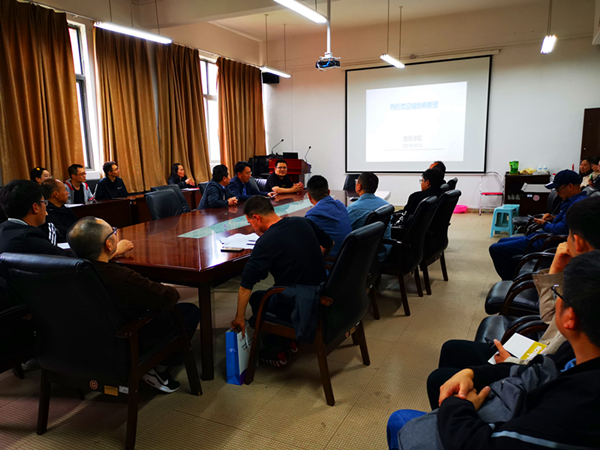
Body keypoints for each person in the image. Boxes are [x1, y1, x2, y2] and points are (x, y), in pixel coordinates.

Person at [387, 250, 600, 450]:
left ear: (570, 317)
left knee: (399, 421)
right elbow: (538, 369)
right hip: (512, 406)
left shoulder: (577, 409)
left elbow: (479, 444)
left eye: (558, 294)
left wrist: (456, 406)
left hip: (488, 427)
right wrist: (471, 373)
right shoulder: (576, 352)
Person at [426, 196, 600, 410]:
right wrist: (555, 270)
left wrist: (510, 362)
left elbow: (548, 366)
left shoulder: (587, 293)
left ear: (578, 242)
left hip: (529, 373)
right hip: (535, 357)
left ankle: (445, 417)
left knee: (439, 379)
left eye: (569, 236)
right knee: (451, 349)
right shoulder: (585, 277)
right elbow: (552, 319)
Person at [67, 217, 199, 393]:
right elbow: (168, 297)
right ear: (108, 244)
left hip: (90, 338)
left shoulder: (69, 272)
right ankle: (158, 368)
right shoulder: (122, 277)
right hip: (130, 336)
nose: (115, 234)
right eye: (113, 232)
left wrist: (111, 254)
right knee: (188, 312)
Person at [230, 196, 332, 366]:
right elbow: (329, 243)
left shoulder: (266, 242)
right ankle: (290, 340)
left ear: (256, 217)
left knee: (258, 299)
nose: (252, 228)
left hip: (300, 301)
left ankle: (276, 349)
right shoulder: (302, 222)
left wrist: (239, 318)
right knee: (272, 292)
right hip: (323, 291)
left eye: (250, 223)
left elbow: (246, 285)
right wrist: (316, 258)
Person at [489, 169, 587, 280]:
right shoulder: (574, 201)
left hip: (547, 242)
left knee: (495, 249)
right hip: (543, 237)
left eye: (558, 189)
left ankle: (510, 280)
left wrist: (544, 224)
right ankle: (514, 276)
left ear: (570, 186)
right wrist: (553, 218)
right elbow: (567, 222)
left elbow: (560, 229)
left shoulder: (577, 205)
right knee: (501, 241)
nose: (557, 193)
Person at [0, 180, 69, 256]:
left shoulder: (3, 231)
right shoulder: (31, 239)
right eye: (44, 203)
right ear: (35, 207)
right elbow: (67, 259)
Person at [347, 172, 392, 262]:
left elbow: (345, 230)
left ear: (359, 186)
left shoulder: (353, 209)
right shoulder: (386, 205)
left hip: (362, 256)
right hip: (383, 251)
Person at [304, 175, 352, 257]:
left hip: (331, 261)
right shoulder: (341, 206)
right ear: (329, 192)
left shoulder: (312, 216)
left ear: (309, 196)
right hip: (348, 257)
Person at [41, 179, 78, 243]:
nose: (67, 193)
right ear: (56, 194)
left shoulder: (66, 209)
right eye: (65, 190)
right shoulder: (48, 214)